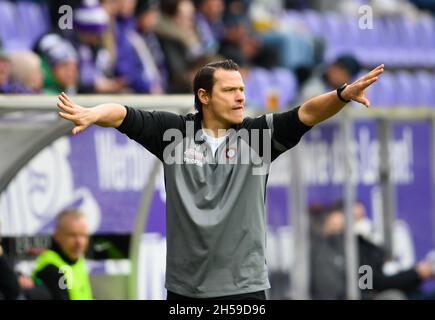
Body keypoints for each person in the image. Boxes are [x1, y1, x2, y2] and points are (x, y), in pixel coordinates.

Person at [56, 59, 383, 299]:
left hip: (244, 289)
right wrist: (94, 113)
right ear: (204, 96)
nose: (241, 96)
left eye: (242, 89)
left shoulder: (259, 138)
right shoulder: (173, 134)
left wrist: (340, 95)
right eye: (229, 90)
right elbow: (125, 114)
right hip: (185, 291)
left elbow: (307, 112)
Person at [310, 201, 435, 300]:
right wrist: (415, 274)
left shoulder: (365, 244)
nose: (361, 222)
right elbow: (370, 283)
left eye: (362, 216)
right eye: (356, 218)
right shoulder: (333, 250)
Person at [33, 209, 93, 300]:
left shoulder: (76, 260)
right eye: (72, 235)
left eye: (83, 235)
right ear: (57, 236)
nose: (79, 242)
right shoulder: (51, 268)